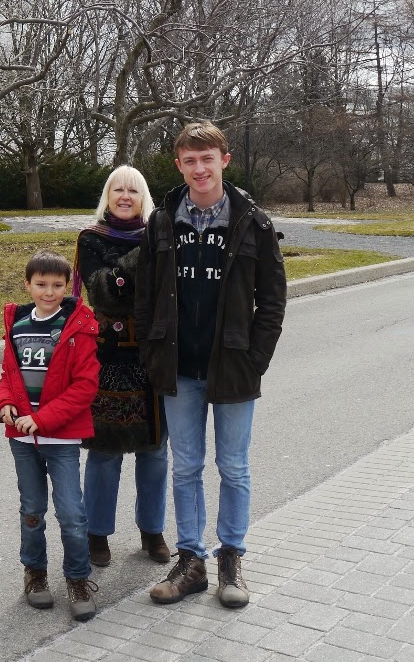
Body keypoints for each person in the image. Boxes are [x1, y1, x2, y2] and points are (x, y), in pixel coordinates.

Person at [135, 121, 286, 609]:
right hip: (179, 369)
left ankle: (231, 559)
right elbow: (144, 295)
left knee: (234, 467)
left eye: (208, 158)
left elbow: (273, 300)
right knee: (186, 468)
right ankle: (191, 561)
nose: (200, 168)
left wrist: (255, 359)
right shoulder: (161, 221)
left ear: (224, 160)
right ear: (179, 164)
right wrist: (151, 352)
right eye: (190, 160)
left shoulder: (253, 222)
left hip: (234, 368)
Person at [0, 249, 100, 622]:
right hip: (22, 440)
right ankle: (35, 573)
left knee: (71, 513)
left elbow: (86, 386)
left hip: (62, 440)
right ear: (28, 284)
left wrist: (44, 419)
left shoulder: (77, 327)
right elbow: (9, 376)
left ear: (67, 286)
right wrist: (4, 404)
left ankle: (78, 578)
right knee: (32, 509)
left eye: (57, 285)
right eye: (41, 284)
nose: (49, 292)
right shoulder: (18, 325)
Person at [74, 165, 170, 569]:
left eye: (133, 189)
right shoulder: (91, 239)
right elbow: (102, 291)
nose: (125, 196)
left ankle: (152, 531)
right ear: (108, 196)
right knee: (104, 451)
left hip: (152, 356)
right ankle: (97, 534)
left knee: (154, 450)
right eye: (118, 189)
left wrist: (128, 271)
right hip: (108, 357)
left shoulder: (160, 238)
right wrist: (140, 258)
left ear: (143, 195)